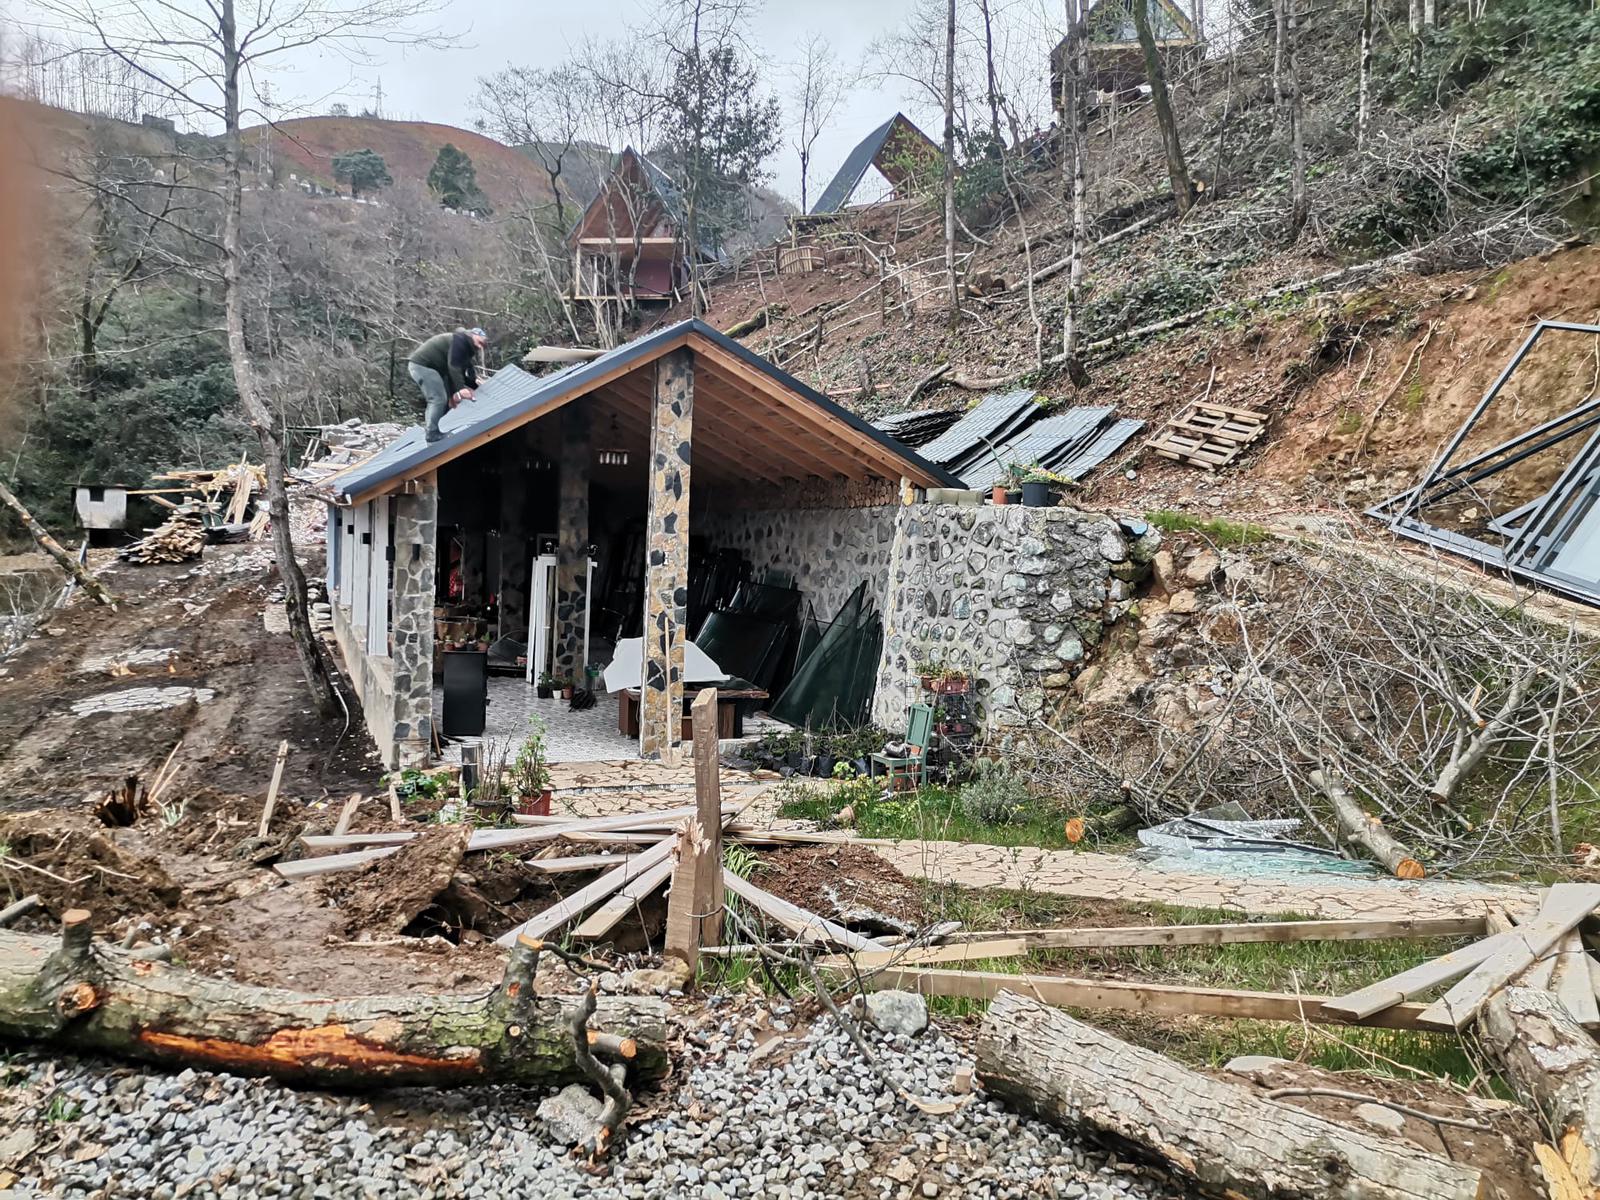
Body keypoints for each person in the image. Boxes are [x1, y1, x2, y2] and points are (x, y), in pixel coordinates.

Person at [408, 326, 486, 442]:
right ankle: (432, 433)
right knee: (438, 399)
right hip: (422, 366)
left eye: (483, 345)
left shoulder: (467, 348)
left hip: (437, 369)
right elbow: (453, 367)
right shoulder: (460, 341)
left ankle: (436, 426)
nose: (480, 347)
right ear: (473, 336)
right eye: (480, 342)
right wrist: (460, 389)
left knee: (449, 401)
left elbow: (463, 373)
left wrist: (476, 386)